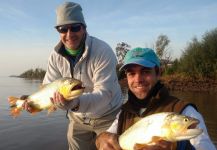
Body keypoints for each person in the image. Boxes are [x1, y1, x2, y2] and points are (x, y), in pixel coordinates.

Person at [24, 1, 122, 150]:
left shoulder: (102, 51)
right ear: (58, 31)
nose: (69, 34)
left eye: (75, 27)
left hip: (107, 116)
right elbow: (48, 87)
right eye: (63, 29)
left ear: (83, 28)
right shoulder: (55, 56)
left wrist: (75, 103)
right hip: (78, 119)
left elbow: (105, 94)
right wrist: (34, 103)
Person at [95, 47, 216, 150]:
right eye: (131, 73)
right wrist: (100, 139)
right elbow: (105, 138)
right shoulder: (123, 113)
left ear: (158, 73)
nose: (138, 79)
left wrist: (179, 146)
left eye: (145, 71)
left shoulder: (184, 110)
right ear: (126, 77)